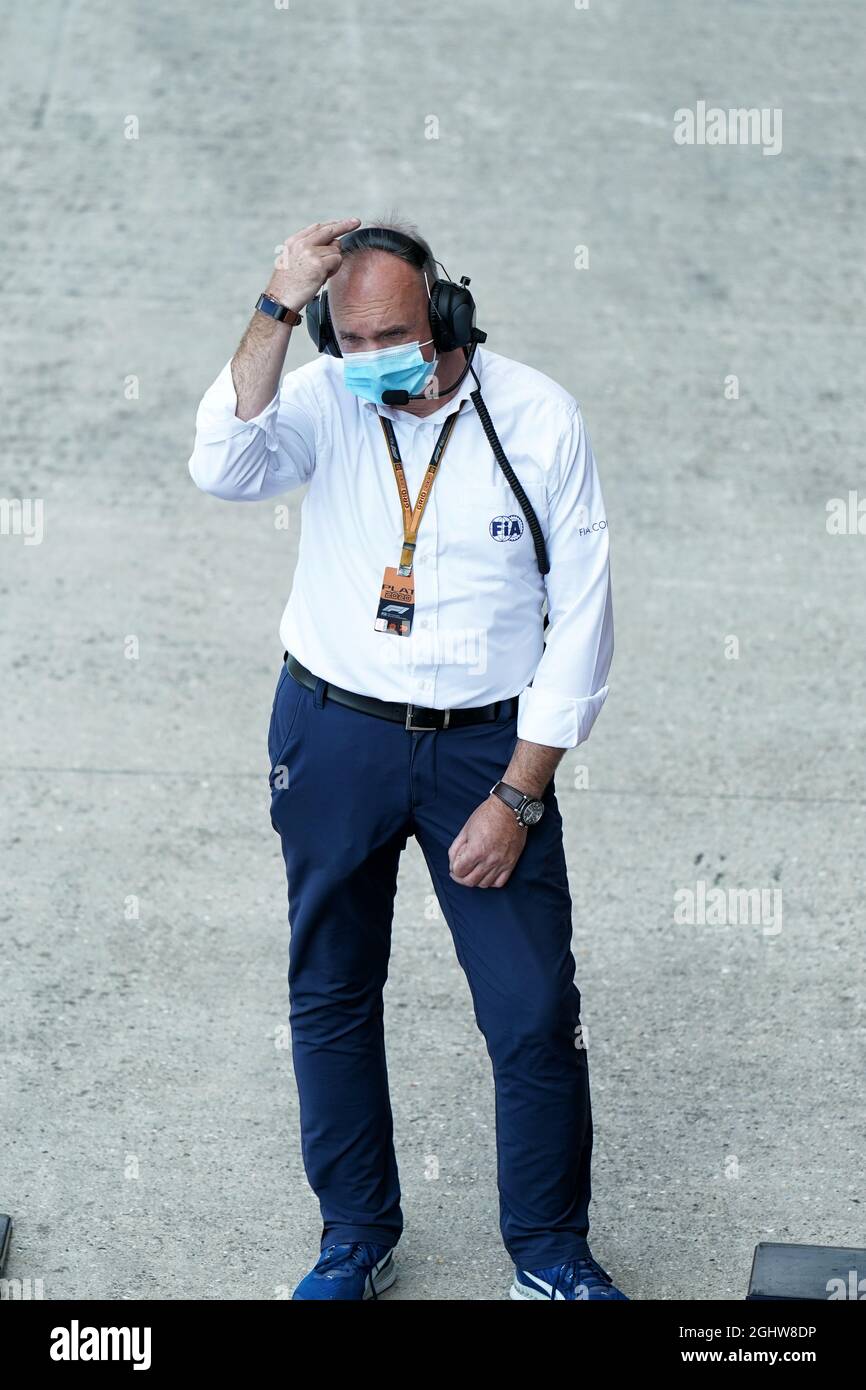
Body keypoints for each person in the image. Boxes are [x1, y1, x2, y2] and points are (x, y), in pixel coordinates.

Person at [187, 215, 627, 1301]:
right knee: (332, 989)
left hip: (486, 747)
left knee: (530, 1008)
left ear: (444, 310)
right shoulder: (331, 395)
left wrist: (519, 795)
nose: (377, 358)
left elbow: (581, 619)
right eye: (351, 339)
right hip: (333, 732)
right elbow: (221, 461)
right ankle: (352, 1237)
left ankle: (549, 1253)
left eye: (395, 332)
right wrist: (277, 306)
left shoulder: (537, 418)